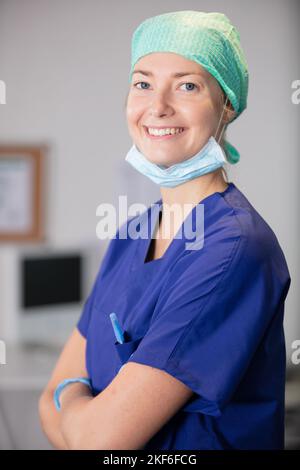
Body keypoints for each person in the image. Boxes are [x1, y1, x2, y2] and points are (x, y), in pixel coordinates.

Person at [39, 11, 291, 450]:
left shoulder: (233, 249)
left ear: (226, 104)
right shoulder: (131, 233)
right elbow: (45, 401)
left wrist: (72, 397)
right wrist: (77, 409)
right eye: (143, 83)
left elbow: (99, 442)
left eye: (187, 85)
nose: (158, 106)